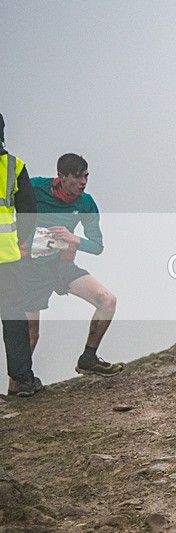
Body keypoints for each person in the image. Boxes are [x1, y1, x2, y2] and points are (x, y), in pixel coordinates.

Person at [24, 153, 123, 377]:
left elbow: (97, 246)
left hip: (61, 265)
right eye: (77, 177)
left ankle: (88, 358)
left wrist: (73, 239)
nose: (83, 182)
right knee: (31, 335)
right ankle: (19, 384)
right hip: (32, 269)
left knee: (107, 301)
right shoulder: (35, 187)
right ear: (61, 177)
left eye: (86, 176)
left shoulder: (86, 203)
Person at [0, 112, 42, 397]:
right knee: (14, 320)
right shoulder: (14, 166)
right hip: (7, 257)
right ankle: (23, 381)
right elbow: (28, 210)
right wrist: (22, 240)